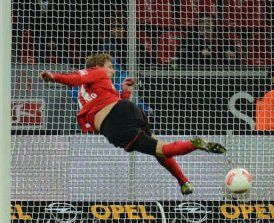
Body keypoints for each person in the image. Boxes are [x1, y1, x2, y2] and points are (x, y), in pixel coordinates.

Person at [39, 53, 226, 195]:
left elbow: (87, 96)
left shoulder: (89, 90)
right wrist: (126, 93)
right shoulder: (96, 75)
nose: (112, 71)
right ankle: (184, 182)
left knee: (163, 150)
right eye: (110, 67)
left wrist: (53, 77)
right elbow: (76, 78)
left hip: (116, 124)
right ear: (96, 67)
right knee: (159, 148)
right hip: (129, 111)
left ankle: (193, 144)